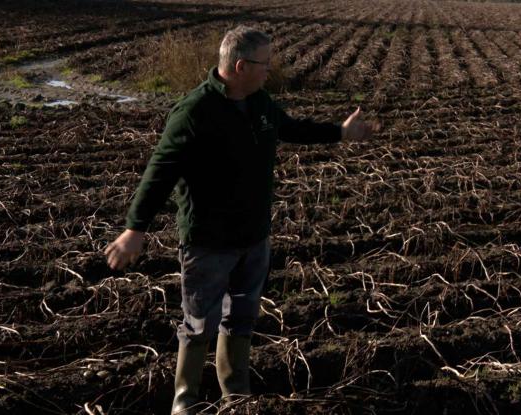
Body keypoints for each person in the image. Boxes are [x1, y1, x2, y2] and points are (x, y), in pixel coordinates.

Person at [104, 25, 376, 414]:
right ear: (241, 66)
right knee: (199, 324)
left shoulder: (260, 102)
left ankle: (236, 398)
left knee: (242, 320)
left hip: (254, 238)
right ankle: (186, 402)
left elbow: (291, 128)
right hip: (208, 241)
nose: (270, 71)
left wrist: (339, 133)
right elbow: (159, 171)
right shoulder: (195, 112)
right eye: (265, 64)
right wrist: (135, 228)